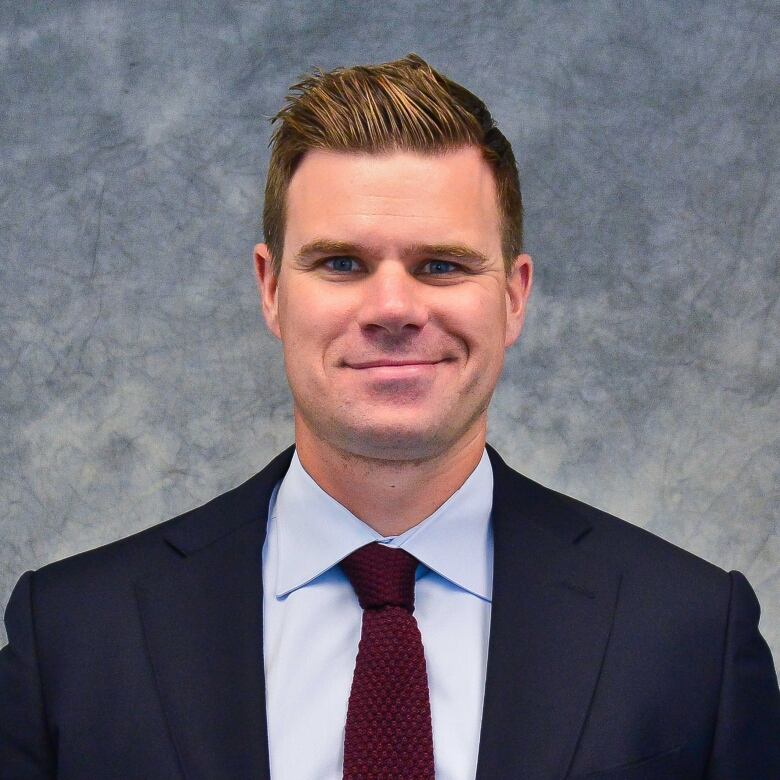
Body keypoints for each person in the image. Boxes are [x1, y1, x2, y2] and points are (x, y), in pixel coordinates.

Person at [1, 53, 778, 780]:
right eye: (342, 263)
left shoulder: (690, 636)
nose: (394, 308)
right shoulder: (72, 637)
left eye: (441, 265)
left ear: (513, 296)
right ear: (271, 289)